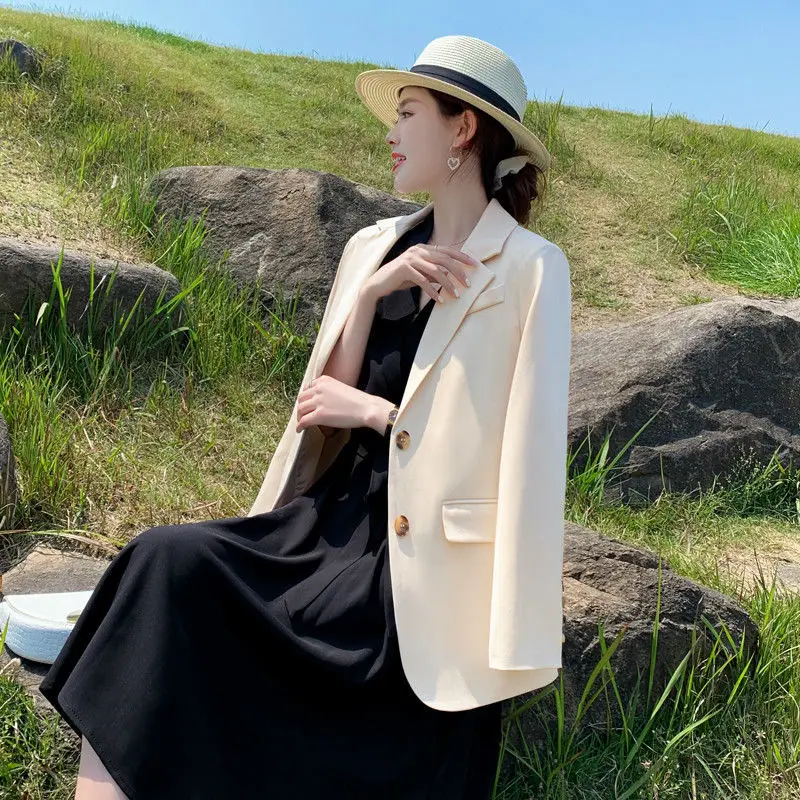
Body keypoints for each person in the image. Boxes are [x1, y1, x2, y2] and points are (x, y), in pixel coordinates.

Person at [39, 34, 571, 799]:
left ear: (462, 130)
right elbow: (320, 407)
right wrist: (370, 294)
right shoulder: (373, 247)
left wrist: (380, 415)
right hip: (325, 523)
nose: (390, 132)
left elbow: (527, 456)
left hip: (417, 578)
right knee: (164, 564)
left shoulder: (530, 268)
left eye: (409, 112)